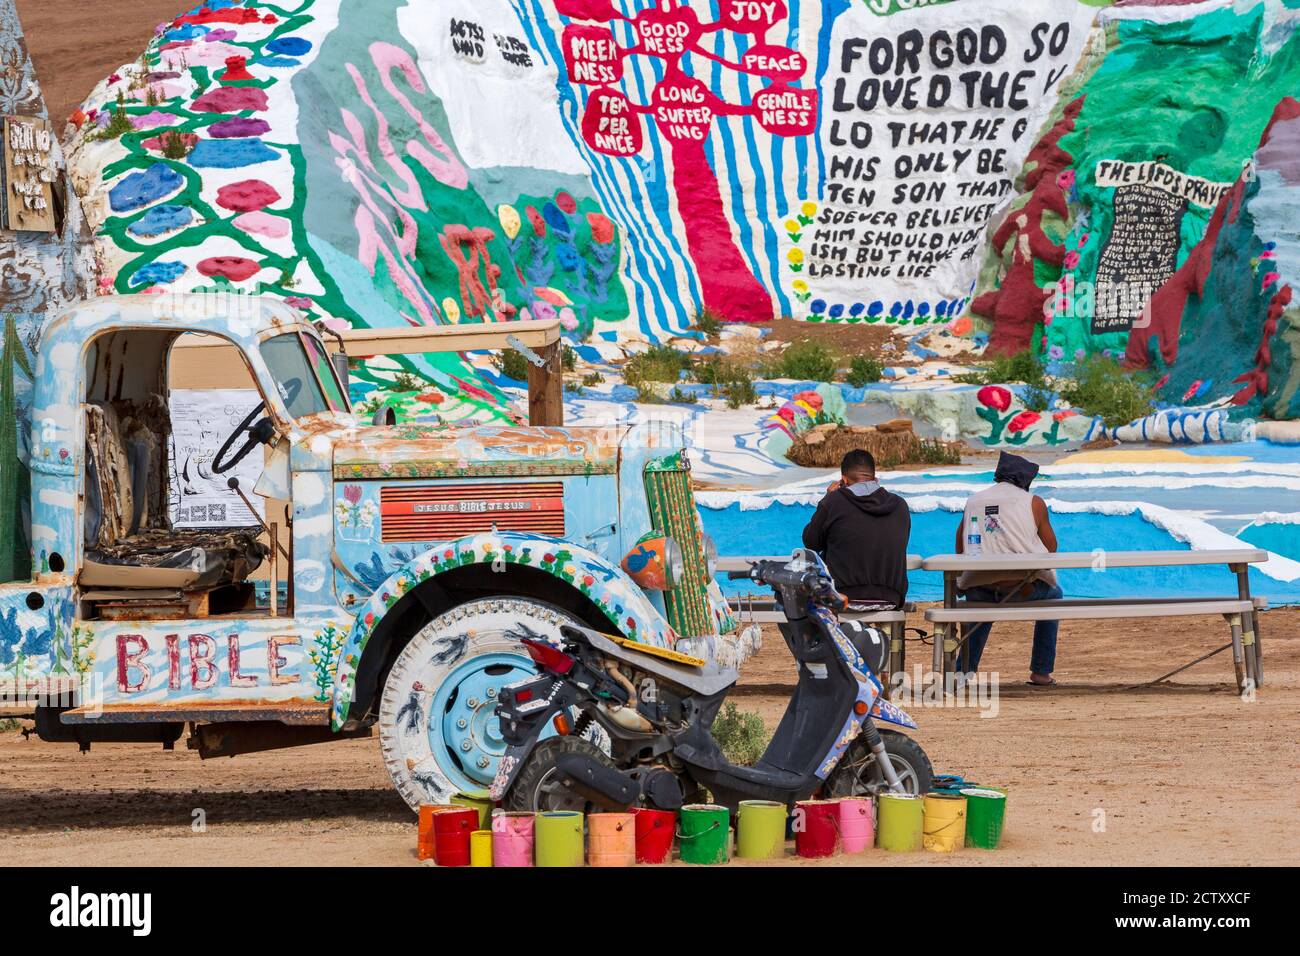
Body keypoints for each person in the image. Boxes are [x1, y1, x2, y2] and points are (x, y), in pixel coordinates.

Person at [953, 451, 1061, 685]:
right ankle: (1041, 671)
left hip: (981, 588)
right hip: (1023, 590)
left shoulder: (973, 501)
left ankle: (963, 673)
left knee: (979, 606)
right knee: (1055, 596)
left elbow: (960, 545)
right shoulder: (1034, 503)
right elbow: (1051, 547)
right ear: (1026, 480)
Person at [801, 449, 911, 609]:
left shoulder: (834, 502)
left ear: (843, 480)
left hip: (843, 595)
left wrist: (827, 499)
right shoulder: (900, 505)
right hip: (890, 598)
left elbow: (811, 542)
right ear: (875, 479)